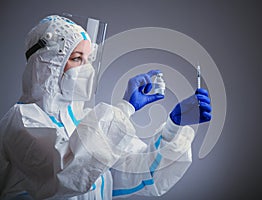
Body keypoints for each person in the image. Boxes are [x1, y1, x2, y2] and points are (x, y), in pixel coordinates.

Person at [0, 15, 212, 200]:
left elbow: (142, 172)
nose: (86, 68)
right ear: (47, 63)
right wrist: (125, 108)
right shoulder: (22, 121)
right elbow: (64, 174)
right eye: (76, 58)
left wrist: (174, 124)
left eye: (88, 59)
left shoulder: (84, 121)